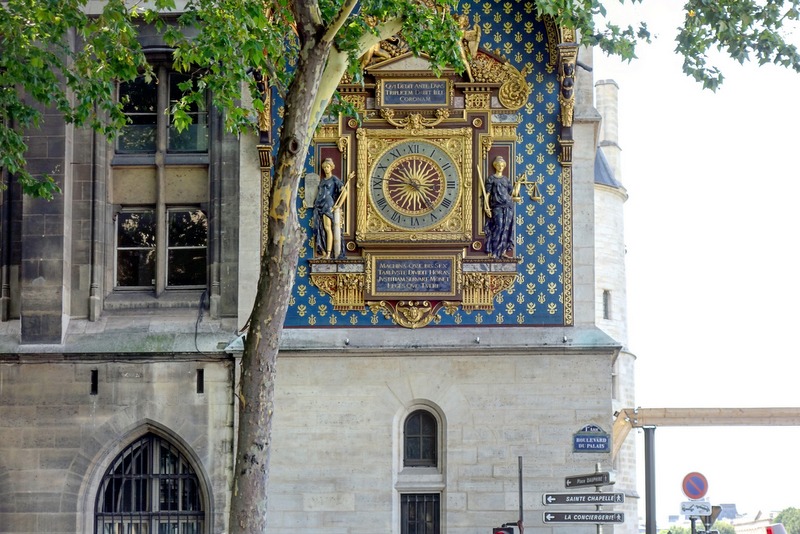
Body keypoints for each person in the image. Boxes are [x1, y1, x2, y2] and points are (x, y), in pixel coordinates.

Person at [312, 158, 345, 259]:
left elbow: (344, 192)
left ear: (331, 168)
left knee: (327, 228)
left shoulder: (334, 179)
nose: (326, 169)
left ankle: (329, 253)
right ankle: (324, 252)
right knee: (321, 228)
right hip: (320, 205)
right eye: (325, 167)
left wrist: (338, 205)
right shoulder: (322, 181)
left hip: (328, 204)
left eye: (328, 167)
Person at [483, 156, 515, 258]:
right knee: (499, 226)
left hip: (508, 206)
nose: (500, 167)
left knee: (506, 228)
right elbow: (487, 194)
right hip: (497, 206)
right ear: (495, 166)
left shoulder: (506, 179)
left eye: (502, 165)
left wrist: (518, 183)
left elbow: (512, 193)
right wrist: (486, 207)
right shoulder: (491, 178)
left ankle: (503, 251)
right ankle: (494, 252)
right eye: (499, 165)